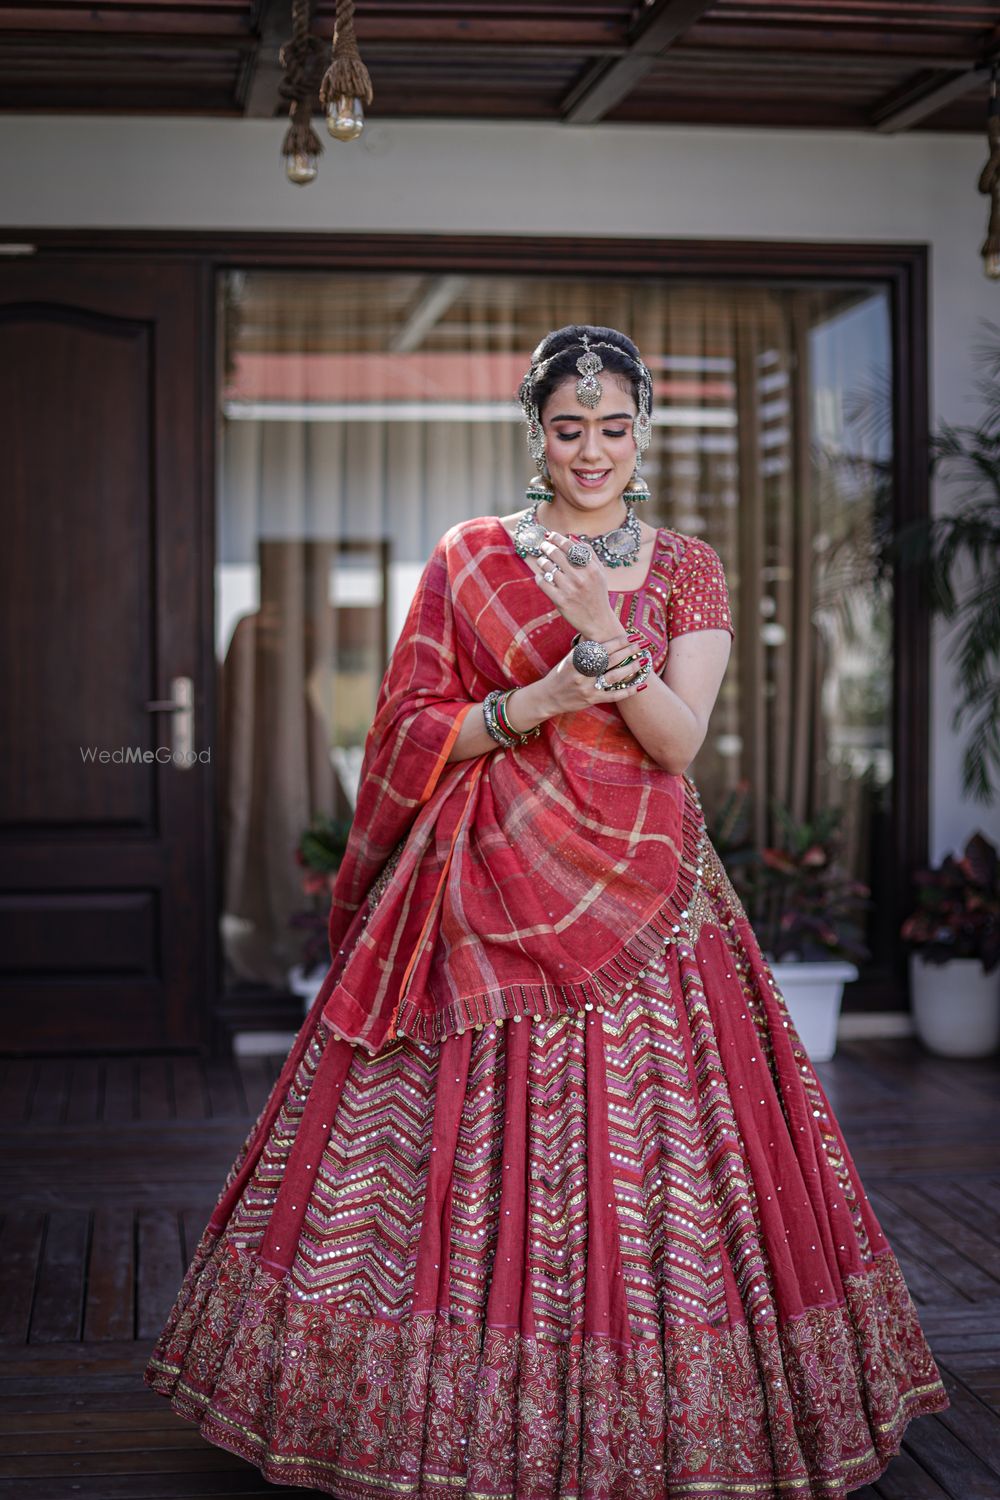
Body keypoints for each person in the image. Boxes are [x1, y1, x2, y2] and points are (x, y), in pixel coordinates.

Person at [145, 324, 949, 1498]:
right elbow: (411, 727)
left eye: (613, 429)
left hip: (649, 892)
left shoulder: (684, 566)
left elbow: (678, 746)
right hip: (482, 883)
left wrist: (605, 634)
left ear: (642, 433)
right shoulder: (470, 555)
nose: (591, 451)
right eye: (568, 429)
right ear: (534, 430)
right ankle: (435, 1419)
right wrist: (539, 697)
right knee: (450, 1152)